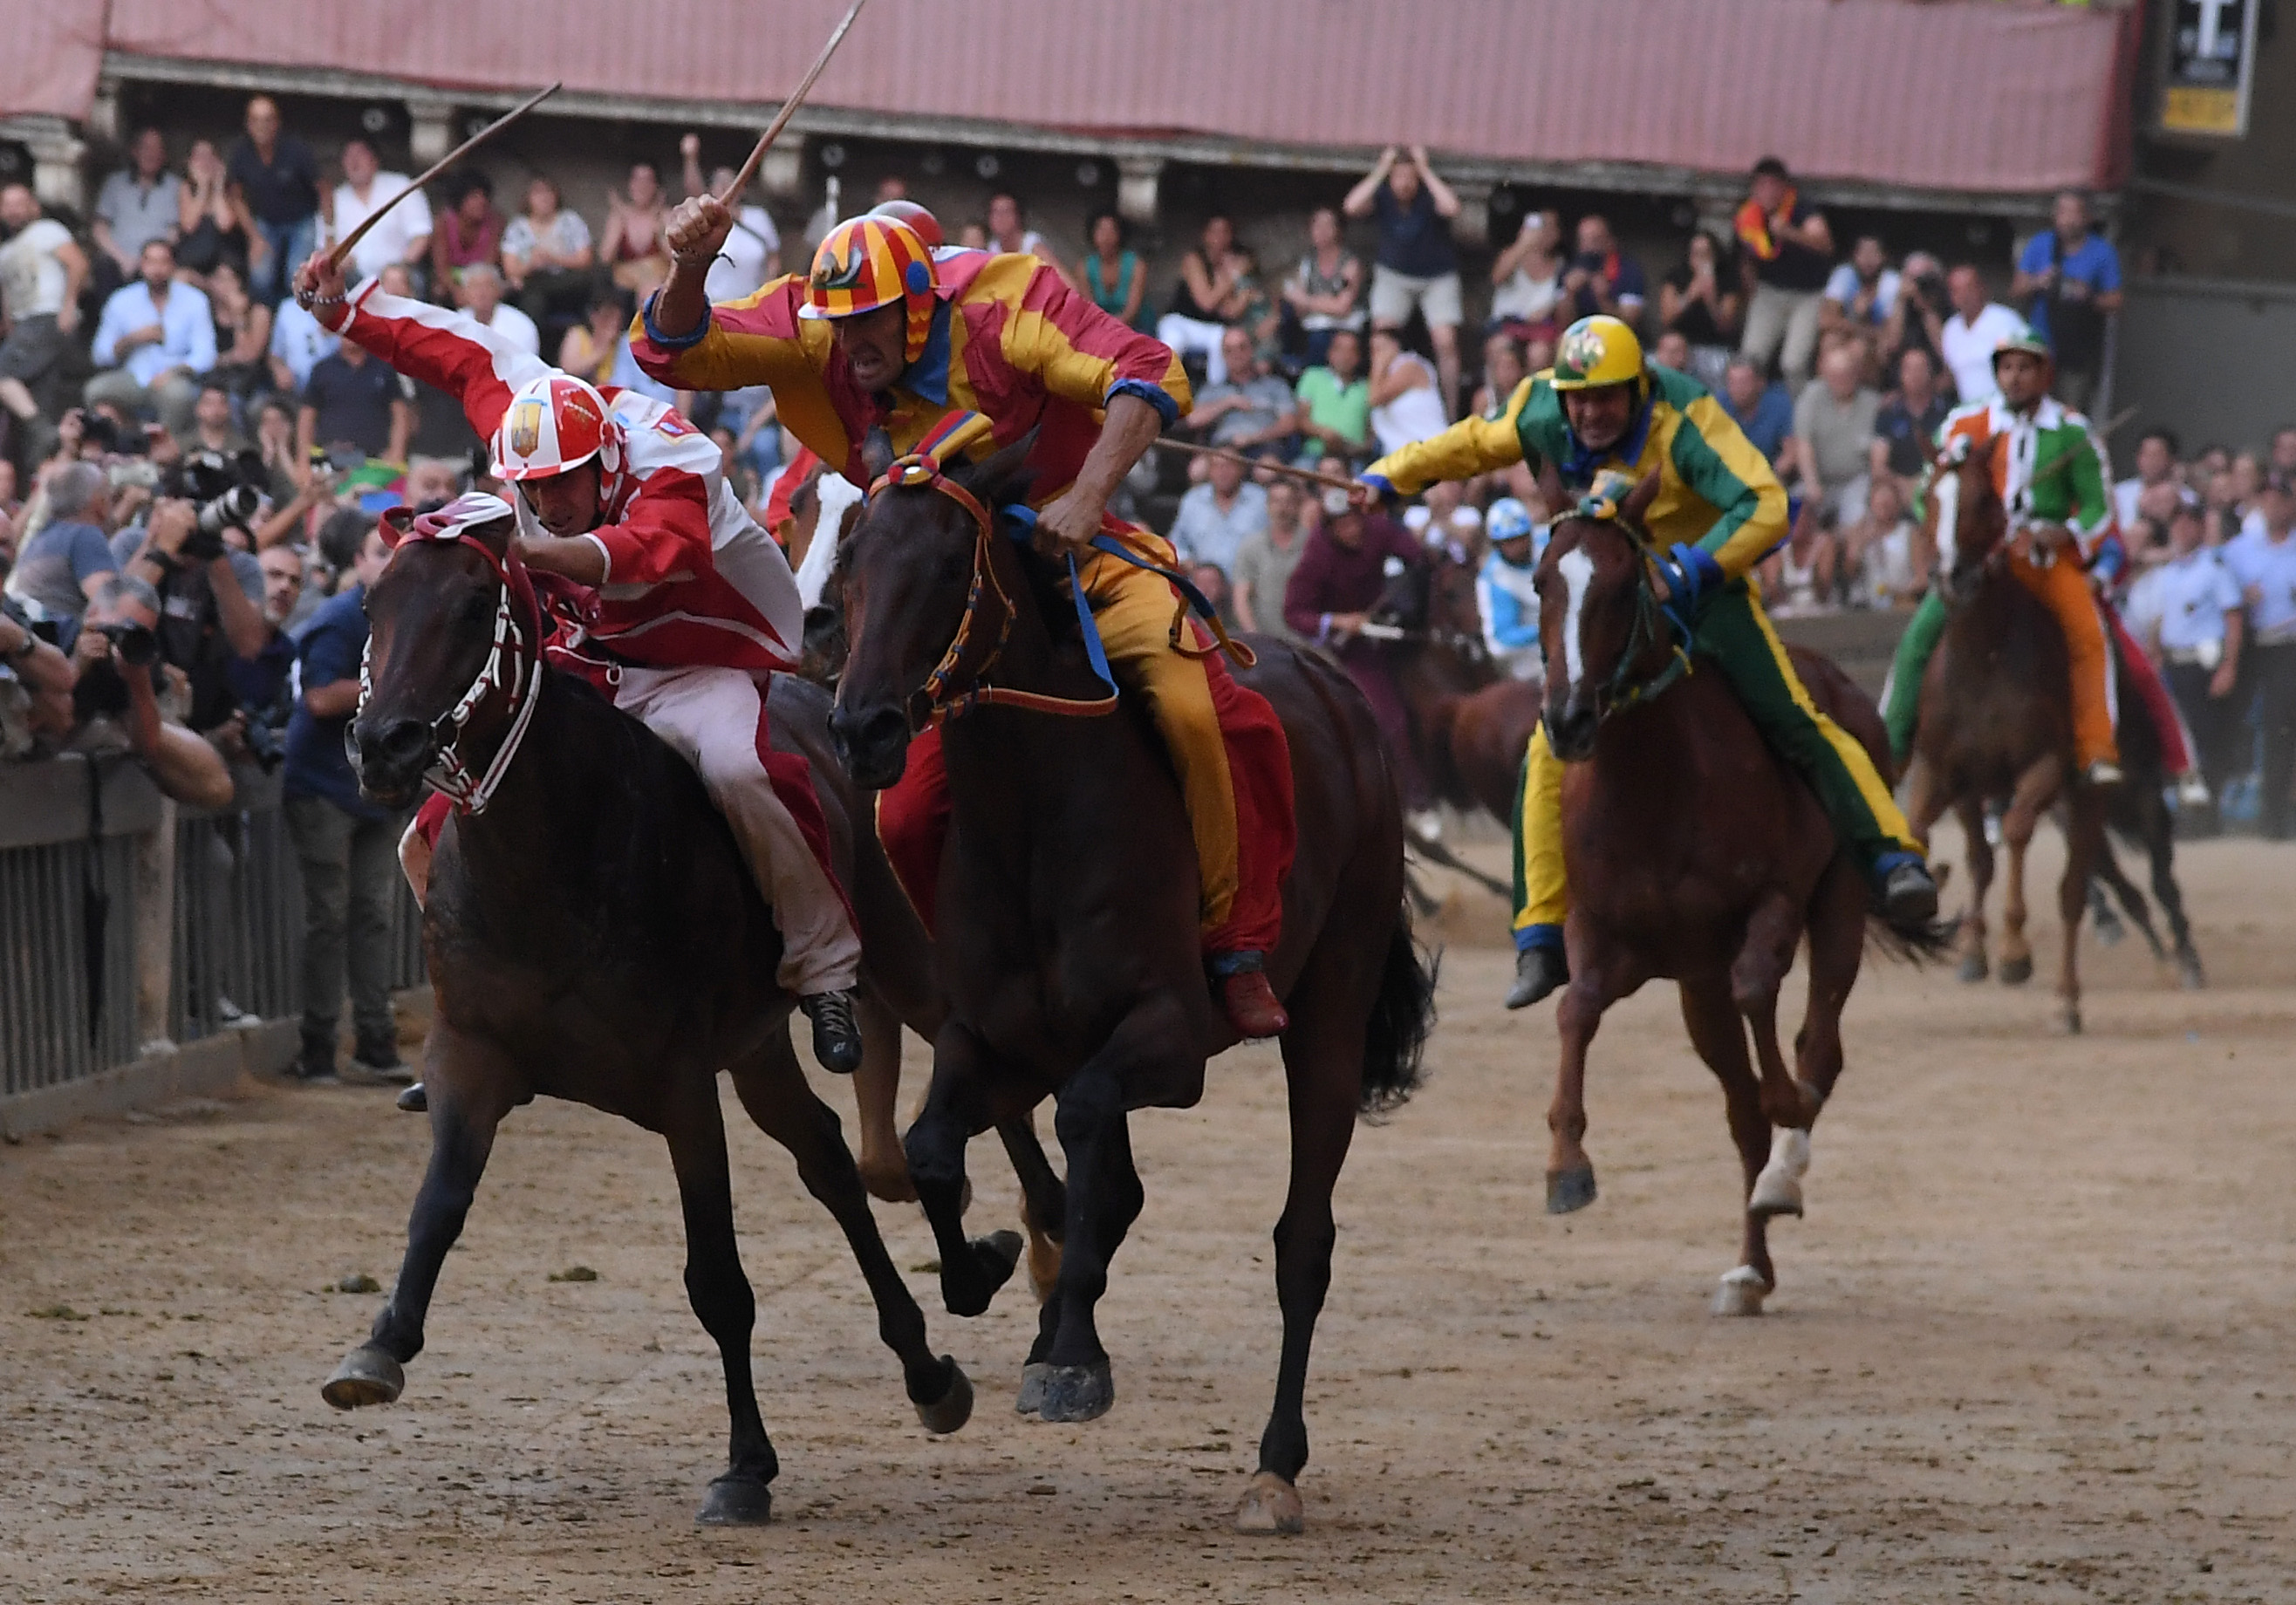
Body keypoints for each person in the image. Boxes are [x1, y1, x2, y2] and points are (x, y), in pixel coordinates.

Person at [636, 201, 1294, 1038]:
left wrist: (1089, 494)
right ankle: (969, 977)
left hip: (1072, 549)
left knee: (1198, 708)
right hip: (933, 588)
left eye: (867, 323)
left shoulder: (1006, 306)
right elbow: (675, 348)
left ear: (918, 304)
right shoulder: (813, 319)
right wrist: (692, 263)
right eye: (838, 325)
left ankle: (1236, 949)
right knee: (903, 816)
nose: (848, 345)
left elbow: (1149, 369)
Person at [296, 247, 871, 1071]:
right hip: (590, 659)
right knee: (428, 827)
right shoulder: (530, 419)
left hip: (696, 662)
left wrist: (528, 547)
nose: (547, 502)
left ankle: (825, 972)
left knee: (747, 774)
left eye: (565, 485)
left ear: (607, 462)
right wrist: (345, 311)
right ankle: (473, 1007)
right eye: (532, 489)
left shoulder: (678, 463)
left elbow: (644, 553)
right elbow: (457, 349)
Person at [1356, 313, 1937, 1007]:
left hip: (1700, 582)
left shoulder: (1687, 417)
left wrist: (1693, 569)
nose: (1591, 412)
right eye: (1580, 398)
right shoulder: (1539, 402)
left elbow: (1767, 504)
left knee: (1794, 717)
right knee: (1549, 745)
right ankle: (1540, 935)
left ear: (1638, 390)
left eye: (1607, 397)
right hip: (1607, 589)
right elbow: (1473, 444)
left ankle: (1891, 853)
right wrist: (1392, 477)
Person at [1880, 327, 2120, 784]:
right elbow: (1930, 491)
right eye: (2007, 368)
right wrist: (1945, 530)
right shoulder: (1963, 424)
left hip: (2040, 555)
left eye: (2025, 368)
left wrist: (2064, 532)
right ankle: (1890, 749)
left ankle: (2096, 747)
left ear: (2044, 374)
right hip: (1977, 557)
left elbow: (2098, 506)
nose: (2014, 378)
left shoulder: (2072, 430)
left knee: (2090, 635)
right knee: (1916, 642)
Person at [277, 516, 407, 1083]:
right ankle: (318, 1047)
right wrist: (395, 679)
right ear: (358, 561)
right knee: (329, 917)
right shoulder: (337, 618)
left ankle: (376, 1043)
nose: (390, 562)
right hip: (325, 785)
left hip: (376, 786)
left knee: (373, 915)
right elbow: (321, 699)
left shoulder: (410, 615)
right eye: (381, 552)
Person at [1283, 489, 1432, 826]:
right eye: (1342, 525)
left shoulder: (1378, 529)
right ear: (1329, 528)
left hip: (1394, 624)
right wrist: (1339, 620)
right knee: (1390, 718)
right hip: (1355, 646)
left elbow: (1415, 555)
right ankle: (1415, 799)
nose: (1352, 530)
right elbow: (1294, 612)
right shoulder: (1317, 556)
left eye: (1354, 520)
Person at [56, 572, 234, 808]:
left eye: (137, 634)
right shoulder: (56, 639)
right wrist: (75, 667)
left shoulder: (141, 663)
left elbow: (150, 744)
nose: (122, 642)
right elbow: (36, 727)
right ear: (92, 615)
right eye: (118, 630)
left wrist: (139, 683)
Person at [2143, 502, 2245, 822]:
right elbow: (2161, 618)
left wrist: (2229, 665)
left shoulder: (2214, 569)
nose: (2182, 530)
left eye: (2189, 524)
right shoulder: (2168, 573)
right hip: (2175, 664)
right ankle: (2188, 808)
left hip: (2205, 664)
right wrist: (2155, 653)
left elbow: (2233, 618)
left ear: (2201, 529)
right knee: (2179, 737)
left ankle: (2209, 812)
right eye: (2177, 525)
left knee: (2207, 737)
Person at [1346, 145, 1464, 418]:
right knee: (1381, 336)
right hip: (1394, 276)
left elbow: (1453, 207)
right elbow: (1351, 206)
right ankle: (1379, 403)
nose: (1405, 184)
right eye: (1399, 177)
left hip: (1437, 277)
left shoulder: (1428, 196)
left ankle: (1452, 413)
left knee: (1445, 341)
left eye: (1410, 177)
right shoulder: (1384, 196)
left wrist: (1424, 169)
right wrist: (1382, 169)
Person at [2224, 471, 2296, 837]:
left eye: (2280, 498)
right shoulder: (2238, 550)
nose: (2272, 505)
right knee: (2244, 725)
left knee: (2280, 728)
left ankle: (2275, 817)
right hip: (2251, 645)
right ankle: (2246, 811)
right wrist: (2239, 596)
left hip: (2289, 647)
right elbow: (2218, 591)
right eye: (2265, 498)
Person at [86, 240, 216, 439]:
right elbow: (100, 355)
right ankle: (124, 444)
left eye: (163, 262)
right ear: (142, 265)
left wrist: (175, 371)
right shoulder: (121, 300)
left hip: (173, 377)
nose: (157, 269)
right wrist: (132, 339)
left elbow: (206, 354)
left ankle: (164, 452)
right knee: (95, 390)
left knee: (178, 396)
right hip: (133, 376)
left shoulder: (195, 300)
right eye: (151, 262)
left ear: (173, 265)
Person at [2010, 191, 2122, 415]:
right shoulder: (2041, 244)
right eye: (2063, 212)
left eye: (2075, 213)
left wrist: (2088, 296)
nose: (2068, 220)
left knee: (2071, 414)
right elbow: (2016, 289)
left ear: (2087, 217)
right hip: (2041, 349)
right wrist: (2038, 282)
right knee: (2034, 411)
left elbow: (2116, 301)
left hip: (2077, 351)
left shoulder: (2102, 252)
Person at [0, 184, 88, 461]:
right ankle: (42, 450)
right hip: (24, 327)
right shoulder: (4, 251)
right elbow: (7, 297)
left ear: (33, 207)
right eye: (7, 204)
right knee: (36, 399)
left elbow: (79, 264)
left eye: (20, 203)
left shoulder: (48, 230)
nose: (14, 210)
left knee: (2, 373)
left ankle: (42, 431)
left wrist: (68, 305)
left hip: (47, 317)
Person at [1734, 157, 1833, 392]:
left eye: (1772, 185)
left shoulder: (1802, 208)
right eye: (1761, 185)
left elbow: (1826, 245)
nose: (1767, 191)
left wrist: (1789, 233)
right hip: (1769, 292)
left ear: (1784, 186)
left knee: (1793, 363)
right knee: (1750, 357)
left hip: (1807, 295)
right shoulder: (1749, 214)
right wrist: (1751, 293)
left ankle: (1799, 419)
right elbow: (1746, 258)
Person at [226, 96, 321, 304]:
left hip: (301, 220)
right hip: (265, 222)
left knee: (296, 277)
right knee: (260, 276)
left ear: (277, 123)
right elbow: (235, 196)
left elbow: (323, 188)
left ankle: (292, 321)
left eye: (268, 120)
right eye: (256, 120)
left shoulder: (296, 150)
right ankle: (268, 321)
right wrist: (254, 237)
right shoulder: (241, 153)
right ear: (248, 124)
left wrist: (329, 233)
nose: (262, 126)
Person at [3, 461, 115, 620]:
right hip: (58, 639)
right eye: (108, 493)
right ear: (98, 501)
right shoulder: (84, 535)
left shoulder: (43, 536)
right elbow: (113, 605)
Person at [678, 136, 781, 303]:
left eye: (731, 182)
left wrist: (764, 293)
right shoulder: (706, 219)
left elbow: (773, 259)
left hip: (749, 304)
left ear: (742, 189)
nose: (726, 187)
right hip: (713, 305)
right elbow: (694, 192)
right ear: (711, 189)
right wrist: (690, 159)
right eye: (720, 183)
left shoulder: (759, 217)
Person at [1791, 343, 1881, 529]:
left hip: (1857, 480)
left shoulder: (1873, 404)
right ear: (1825, 374)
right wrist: (1812, 484)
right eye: (1835, 375)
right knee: (1791, 511)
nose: (1841, 380)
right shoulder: (1811, 397)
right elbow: (1803, 444)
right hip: (1819, 479)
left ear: (1857, 373)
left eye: (1846, 374)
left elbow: (1878, 455)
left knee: (1858, 515)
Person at [297, 332, 415, 467]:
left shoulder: (384, 369)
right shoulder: (322, 370)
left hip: (375, 462)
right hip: (332, 458)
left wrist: (397, 452)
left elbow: (400, 414)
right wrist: (303, 458)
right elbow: (307, 417)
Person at [330, 139, 432, 290]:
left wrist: (399, 269)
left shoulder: (401, 186)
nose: (354, 162)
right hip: (355, 280)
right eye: (348, 156)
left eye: (360, 155)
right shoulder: (335, 199)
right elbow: (329, 246)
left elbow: (421, 235)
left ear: (374, 160)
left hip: (401, 274)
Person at [1158, 215, 1249, 386]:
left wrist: (1237, 284)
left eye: (1225, 232)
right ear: (1205, 235)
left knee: (1222, 338)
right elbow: (1206, 303)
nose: (1220, 237)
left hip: (1210, 328)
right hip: (1180, 320)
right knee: (1174, 343)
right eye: (1214, 232)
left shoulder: (1230, 263)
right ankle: (1161, 393)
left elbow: (1231, 311)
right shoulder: (1194, 259)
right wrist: (1233, 276)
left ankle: (1215, 392)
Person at [92, 127, 183, 296]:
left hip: (156, 261)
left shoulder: (175, 186)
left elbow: (174, 231)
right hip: (118, 260)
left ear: (164, 155)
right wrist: (122, 258)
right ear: (134, 152)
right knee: (102, 267)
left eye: (157, 149)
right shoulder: (114, 183)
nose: (151, 154)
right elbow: (99, 228)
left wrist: (152, 260)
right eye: (146, 148)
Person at [502, 176, 597, 336]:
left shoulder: (570, 220)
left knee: (591, 279)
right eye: (538, 193)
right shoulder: (517, 227)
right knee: (532, 299)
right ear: (528, 198)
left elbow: (585, 260)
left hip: (566, 283)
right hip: (533, 282)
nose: (544, 197)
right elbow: (510, 270)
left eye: (548, 192)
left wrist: (553, 259)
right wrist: (531, 264)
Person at [1186, 326, 1298, 460]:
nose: (1236, 354)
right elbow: (1193, 420)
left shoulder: (1275, 385)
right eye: (1229, 350)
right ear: (1223, 355)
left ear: (1252, 350)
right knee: (1198, 470)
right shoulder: (1212, 389)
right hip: (1222, 451)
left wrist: (1254, 438)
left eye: (1242, 347)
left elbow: (1289, 423)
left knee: (1266, 471)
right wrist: (1228, 403)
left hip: (1264, 448)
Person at [1281, 205, 1365, 366]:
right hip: (1314, 325)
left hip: (1345, 326)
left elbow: (1342, 308)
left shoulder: (1350, 264)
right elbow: (1297, 306)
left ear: (1338, 230)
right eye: (1317, 225)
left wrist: (1308, 300)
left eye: (1328, 225)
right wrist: (1324, 302)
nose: (1322, 230)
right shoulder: (1307, 263)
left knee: (1320, 341)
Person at [1657, 231, 1740, 393]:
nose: (1701, 259)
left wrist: (1711, 299)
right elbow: (1666, 319)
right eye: (1696, 253)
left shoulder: (1727, 279)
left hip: (1714, 346)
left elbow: (1726, 325)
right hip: (1682, 344)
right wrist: (1689, 296)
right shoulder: (1676, 277)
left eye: (1706, 254)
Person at [1231, 476, 1309, 643]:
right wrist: (1254, 639)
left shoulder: (1313, 545)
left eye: (1288, 502)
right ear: (1267, 506)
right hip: (1267, 643)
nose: (1282, 509)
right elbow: (1241, 598)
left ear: (1298, 506)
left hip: (1309, 644)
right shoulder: (1251, 546)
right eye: (1276, 501)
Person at [1167, 447, 1268, 576]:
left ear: (1242, 468)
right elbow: (1177, 543)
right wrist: (1187, 562)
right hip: (1203, 585)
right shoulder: (1193, 500)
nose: (1223, 472)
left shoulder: (1260, 500)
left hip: (1248, 582)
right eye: (1217, 466)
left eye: (1230, 465)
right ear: (1209, 470)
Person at [1475, 495, 1544, 679]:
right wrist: (1547, 628)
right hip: (1532, 658)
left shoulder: (1549, 542)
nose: (1519, 546)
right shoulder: (1494, 580)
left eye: (1521, 537)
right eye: (1509, 541)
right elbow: (1500, 641)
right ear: (1497, 544)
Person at [1937, 265, 2023, 406]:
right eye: (1957, 291)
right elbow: (1950, 377)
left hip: (2007, 411)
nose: (1964, 296)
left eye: (1969, 289)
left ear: (1982, 288)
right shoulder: (1950, 330)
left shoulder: (2006, 320)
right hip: (1970, 416)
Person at [174, 138, 253, 289]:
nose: (205, 163)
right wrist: (203, 188)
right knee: (180, 279)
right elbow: (189, 225)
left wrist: (217, 187)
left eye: (209, 157)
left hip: (224, 261)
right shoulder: (185, 189)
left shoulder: (230, 192)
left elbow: (225, 224)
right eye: (200, 157)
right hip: (194, 262)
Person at [1869, 347, 1950, 493]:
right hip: (1899, 489)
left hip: (1938, 486)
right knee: (1882, 495)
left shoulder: (1947, 412)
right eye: (1909, 369)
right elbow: (1878, 467)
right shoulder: (1888, 413)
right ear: (1900, 374)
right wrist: (1905, 485)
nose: (1915, 375)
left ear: (1930, 373)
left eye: (1920, 368)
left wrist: (1925, 484)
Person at [1295, 326, 1371, 466]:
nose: (1345, 355)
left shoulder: (1367, 388)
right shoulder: (1312, 376)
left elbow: (1371, 433)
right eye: (1339, 349)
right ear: (1330, 352)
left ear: (1359, 357)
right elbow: (1301, 419)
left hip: (1354, 458)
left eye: (1351, 350)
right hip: (1316, 454)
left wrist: (1353, 448)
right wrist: (1324, 433)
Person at [1366, 327, 1448, 458]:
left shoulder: (1410, 365)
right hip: (1401, 456)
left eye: (1381, 348)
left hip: (1430, 449)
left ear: (1395, 345)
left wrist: (1379, 365)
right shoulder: (1380, 378)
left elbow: (1375, 399)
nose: (1377, 355)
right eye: (1373, 350)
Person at [1560, 215, 1648, 331]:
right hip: (1581, 335)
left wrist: (1603, 299)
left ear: (1610, 240)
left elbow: (1629, 324)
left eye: (1595, 239)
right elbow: (1563, 325)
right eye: (1583, 240)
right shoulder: (1569, 269)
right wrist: (1569, 295)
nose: (1589, 246)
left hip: (1617, 337)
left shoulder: (1629, 271)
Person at [1489, 208, 1565, 344]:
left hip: (1540, 330)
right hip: (1506, 326)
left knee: (1539, 352)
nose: (1543, 233)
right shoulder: (1510, 255)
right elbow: (1496, 278)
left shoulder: (1561, 264)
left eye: (1549, 228)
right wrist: (1524, 243)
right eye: (1541, 227)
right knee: (1501, 345)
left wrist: (1549, 309)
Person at [601, 161, 672, 297]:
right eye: (637, 180)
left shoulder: (665, 215)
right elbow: (605, 258)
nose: (642, 186)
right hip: (627, 283)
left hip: (659, 283)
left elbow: (675, 258)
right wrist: (621, 225)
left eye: (647, 181)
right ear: (630, 185)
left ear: (656, 186)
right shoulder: (618, 217)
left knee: (651, 289)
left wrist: (659, 231)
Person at [1821, 235, 1900, 341]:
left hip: (1877, 345)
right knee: (1830, 339)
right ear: (1854, 255)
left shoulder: (1892, 281)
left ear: (1884, 256)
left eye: (1874, 253)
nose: (1868, 259)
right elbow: (1827, 320)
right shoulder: (1844, 274)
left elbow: (1891, 335)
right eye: (1862, 252)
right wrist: (1857, 319)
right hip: (1852, 333)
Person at [1719, 354, 1794, 467]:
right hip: (1731, 472)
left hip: (1769, 472)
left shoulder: (1780, 403)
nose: (1737, 389)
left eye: (1743, 382)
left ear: (1761, 383)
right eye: (1732, 383)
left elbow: (1791, 454)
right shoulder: (1720, 402)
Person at [1080, 210, 1149, 332]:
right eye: (1101, 230)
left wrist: (1114, 328)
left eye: (1112, 230)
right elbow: (1089, 309)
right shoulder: (1084, 267)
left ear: (1120, 234)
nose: (1106, 237)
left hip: (1135, 327)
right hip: (1099, 327)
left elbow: (1131, 312)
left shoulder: (1137, 265)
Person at [454, 263, 539, 359]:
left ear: (499, 291)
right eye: (474, 287)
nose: (481, 293)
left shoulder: (520, 324)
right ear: (464, 293)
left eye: (488, 286)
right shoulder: (455, 322)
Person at [2114, 427, 2187, 532]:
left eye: (2156, 455)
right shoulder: (2119, 492)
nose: (2150, 461)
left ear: (2172, 459)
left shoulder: (2187, 498)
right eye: (2145, 454)